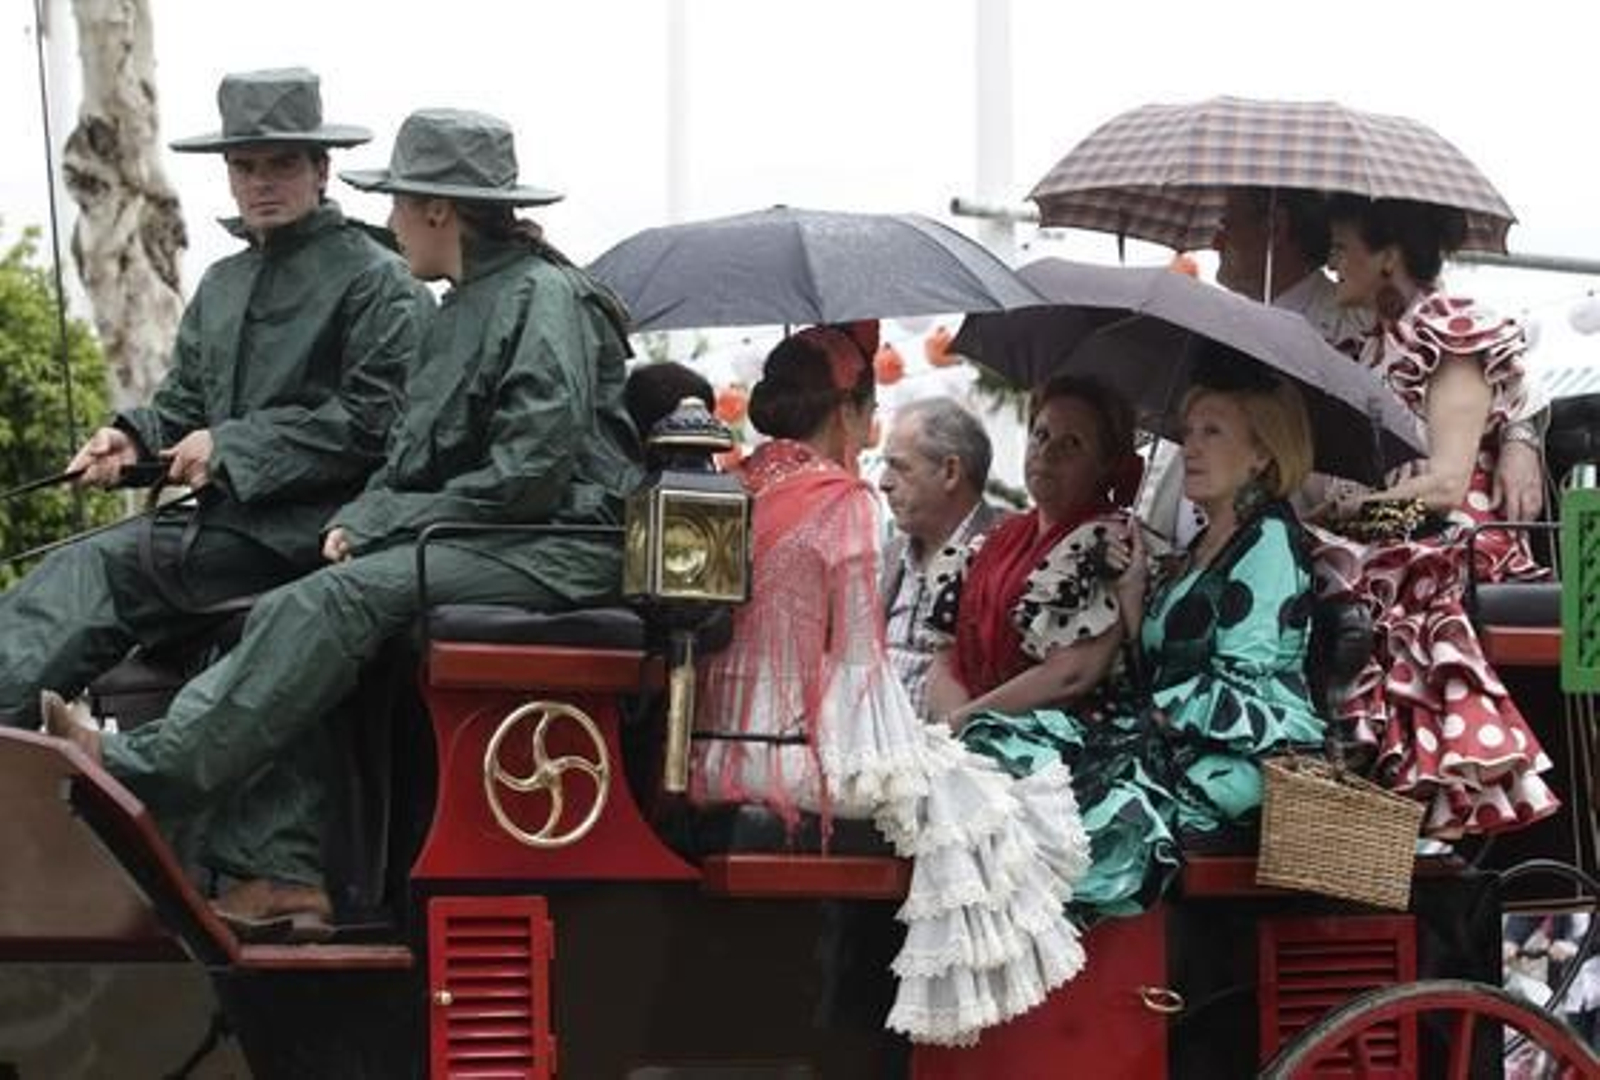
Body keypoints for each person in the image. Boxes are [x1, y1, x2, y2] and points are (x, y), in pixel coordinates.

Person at [47, 108, 641, 922]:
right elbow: (415, 456)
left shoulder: (541, 297)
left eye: (397, 203)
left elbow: (529, 473)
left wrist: (382, 523)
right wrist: (369, 514)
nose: (390, 223)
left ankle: (134, 770)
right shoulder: (466, 304)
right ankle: (272, 868)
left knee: (328, 603)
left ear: (438, 209)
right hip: (498, 534)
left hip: (559, 546)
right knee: (297, 601)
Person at [691, 327, 1090, 1047]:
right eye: (870, 410)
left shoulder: (741, 483)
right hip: (789, 759)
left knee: (962, 793)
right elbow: (858, 668)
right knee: (990, 808)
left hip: (719, 747)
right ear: (847, 411)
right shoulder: (840, 497)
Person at [0, 67, 426, 728]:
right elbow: (183, 407)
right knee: (79, 566)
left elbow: (380, 423)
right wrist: (132, 443)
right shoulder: (224, 284)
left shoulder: (379, 280)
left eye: (281, 164)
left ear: (321, 169)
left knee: (101, 568)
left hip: (319, 532)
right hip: (225, 530)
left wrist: (232, 447)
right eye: (244, 166)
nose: (260, 182)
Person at [953, 369, 1325, 917]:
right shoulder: (1204, 543)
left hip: (1237, 761)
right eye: (1188, 432)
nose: (1190, 448)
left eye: (1212, 432)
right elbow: (1152, 670)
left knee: (1077, 796)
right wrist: (1132, 595)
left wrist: (1136, 733)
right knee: (1001, 742)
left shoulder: (1269, 539)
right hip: (1171, 740)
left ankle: (1061, 941)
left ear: (1261, 455)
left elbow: (1238, 688)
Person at [1310, 194, 1558, 837]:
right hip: (1393, 533)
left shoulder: (1449, 333)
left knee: (1366, 579)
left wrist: (1353, 511)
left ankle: (1403, 785)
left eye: (1341, 249)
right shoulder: (1367, 345)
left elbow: (1446, 484)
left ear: (1388, 256)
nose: (1332, 265)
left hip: (1451, 540)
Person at [877, 397, 1006, 717]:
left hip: (957, 742)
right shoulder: (890, 556)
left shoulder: (1006, 552)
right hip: (877, 744)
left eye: (899, 467)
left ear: (950, 472)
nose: (883, 483)